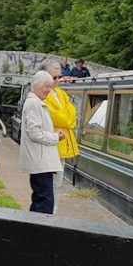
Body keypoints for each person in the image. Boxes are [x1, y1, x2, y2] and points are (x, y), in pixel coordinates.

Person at [19, 70, 64, 214]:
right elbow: (34, 133)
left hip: (41, 161)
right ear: (38, 86)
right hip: (40, 161)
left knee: (40, 198)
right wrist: (55, 137)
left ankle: (33, 230)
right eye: (47, 87)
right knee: (45, 201)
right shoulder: (33, 104)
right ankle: (40, 232)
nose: (50, 91)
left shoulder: (35, 103)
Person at [43, 66, 78, 212]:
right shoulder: (43, 96)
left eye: (60, 77)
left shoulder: (62, 94)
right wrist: (65, 117)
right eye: (55, 77)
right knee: (49, 185)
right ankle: (49, 213)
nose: (58, 80)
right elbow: (59, 118)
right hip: (52, 145)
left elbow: (72, 117)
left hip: (63, 146)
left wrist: (65, 117)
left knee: (57, 184)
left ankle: (53, 212)